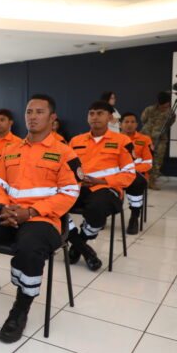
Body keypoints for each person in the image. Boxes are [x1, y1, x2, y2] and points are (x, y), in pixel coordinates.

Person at [0, 94, 81, 343]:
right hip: (6, 214)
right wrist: (2, 207)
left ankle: (20, 310)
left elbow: (69, 193)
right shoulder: (10, 150)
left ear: (52, 118)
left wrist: (31, 212)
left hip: (43, 219)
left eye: (39, 112)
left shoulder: (64, 153)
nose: (33, 116)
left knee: (30, 246)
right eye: (29, 112)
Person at [67, 101, 136, 271]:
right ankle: (83, 248)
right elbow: (65, 169)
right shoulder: (76, 141)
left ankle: (79, 243)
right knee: (52, 207)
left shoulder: (122, 141)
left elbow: (129, 174)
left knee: (97, 208)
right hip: (78, 188)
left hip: (106, 188)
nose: (95, 117)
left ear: (110, 117)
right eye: (91, 113)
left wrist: (102, 181)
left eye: (100, 113)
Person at [120, 112, 153, 234]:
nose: (129, 124)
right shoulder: (114, 139)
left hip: (137, 174)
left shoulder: (145, 140)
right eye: (126, 122)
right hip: (118, 174)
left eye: (132, 122)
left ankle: (134, 216)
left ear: (137, 124)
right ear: (120, 124)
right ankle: (100, 217)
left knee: (137, 183)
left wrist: (131, 170)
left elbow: (148, 163)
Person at [140, 91, 175, 190]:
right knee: (142, 159)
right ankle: (141, 180)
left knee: (157, 161)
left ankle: (152, 181)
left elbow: (169, 124)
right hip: (145, 137)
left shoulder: (170, 113)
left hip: (160, 140)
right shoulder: (149, 109)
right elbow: (143, 120)